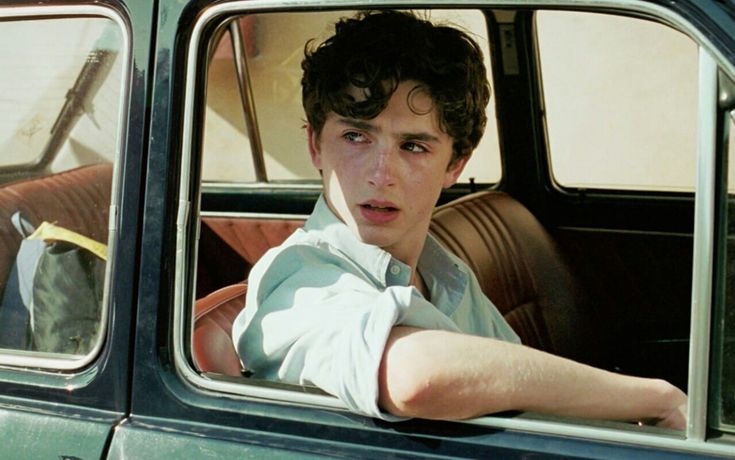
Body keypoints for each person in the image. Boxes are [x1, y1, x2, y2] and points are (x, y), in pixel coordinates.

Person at [231, 10, 687, 428]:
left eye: (413, 147)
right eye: (355, 136)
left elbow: (517, 381)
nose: (379, 175)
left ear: (455, 164)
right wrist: (655, 399)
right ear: (315, 146)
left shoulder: (446, 274)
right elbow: (414, 376)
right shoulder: (297, 279)